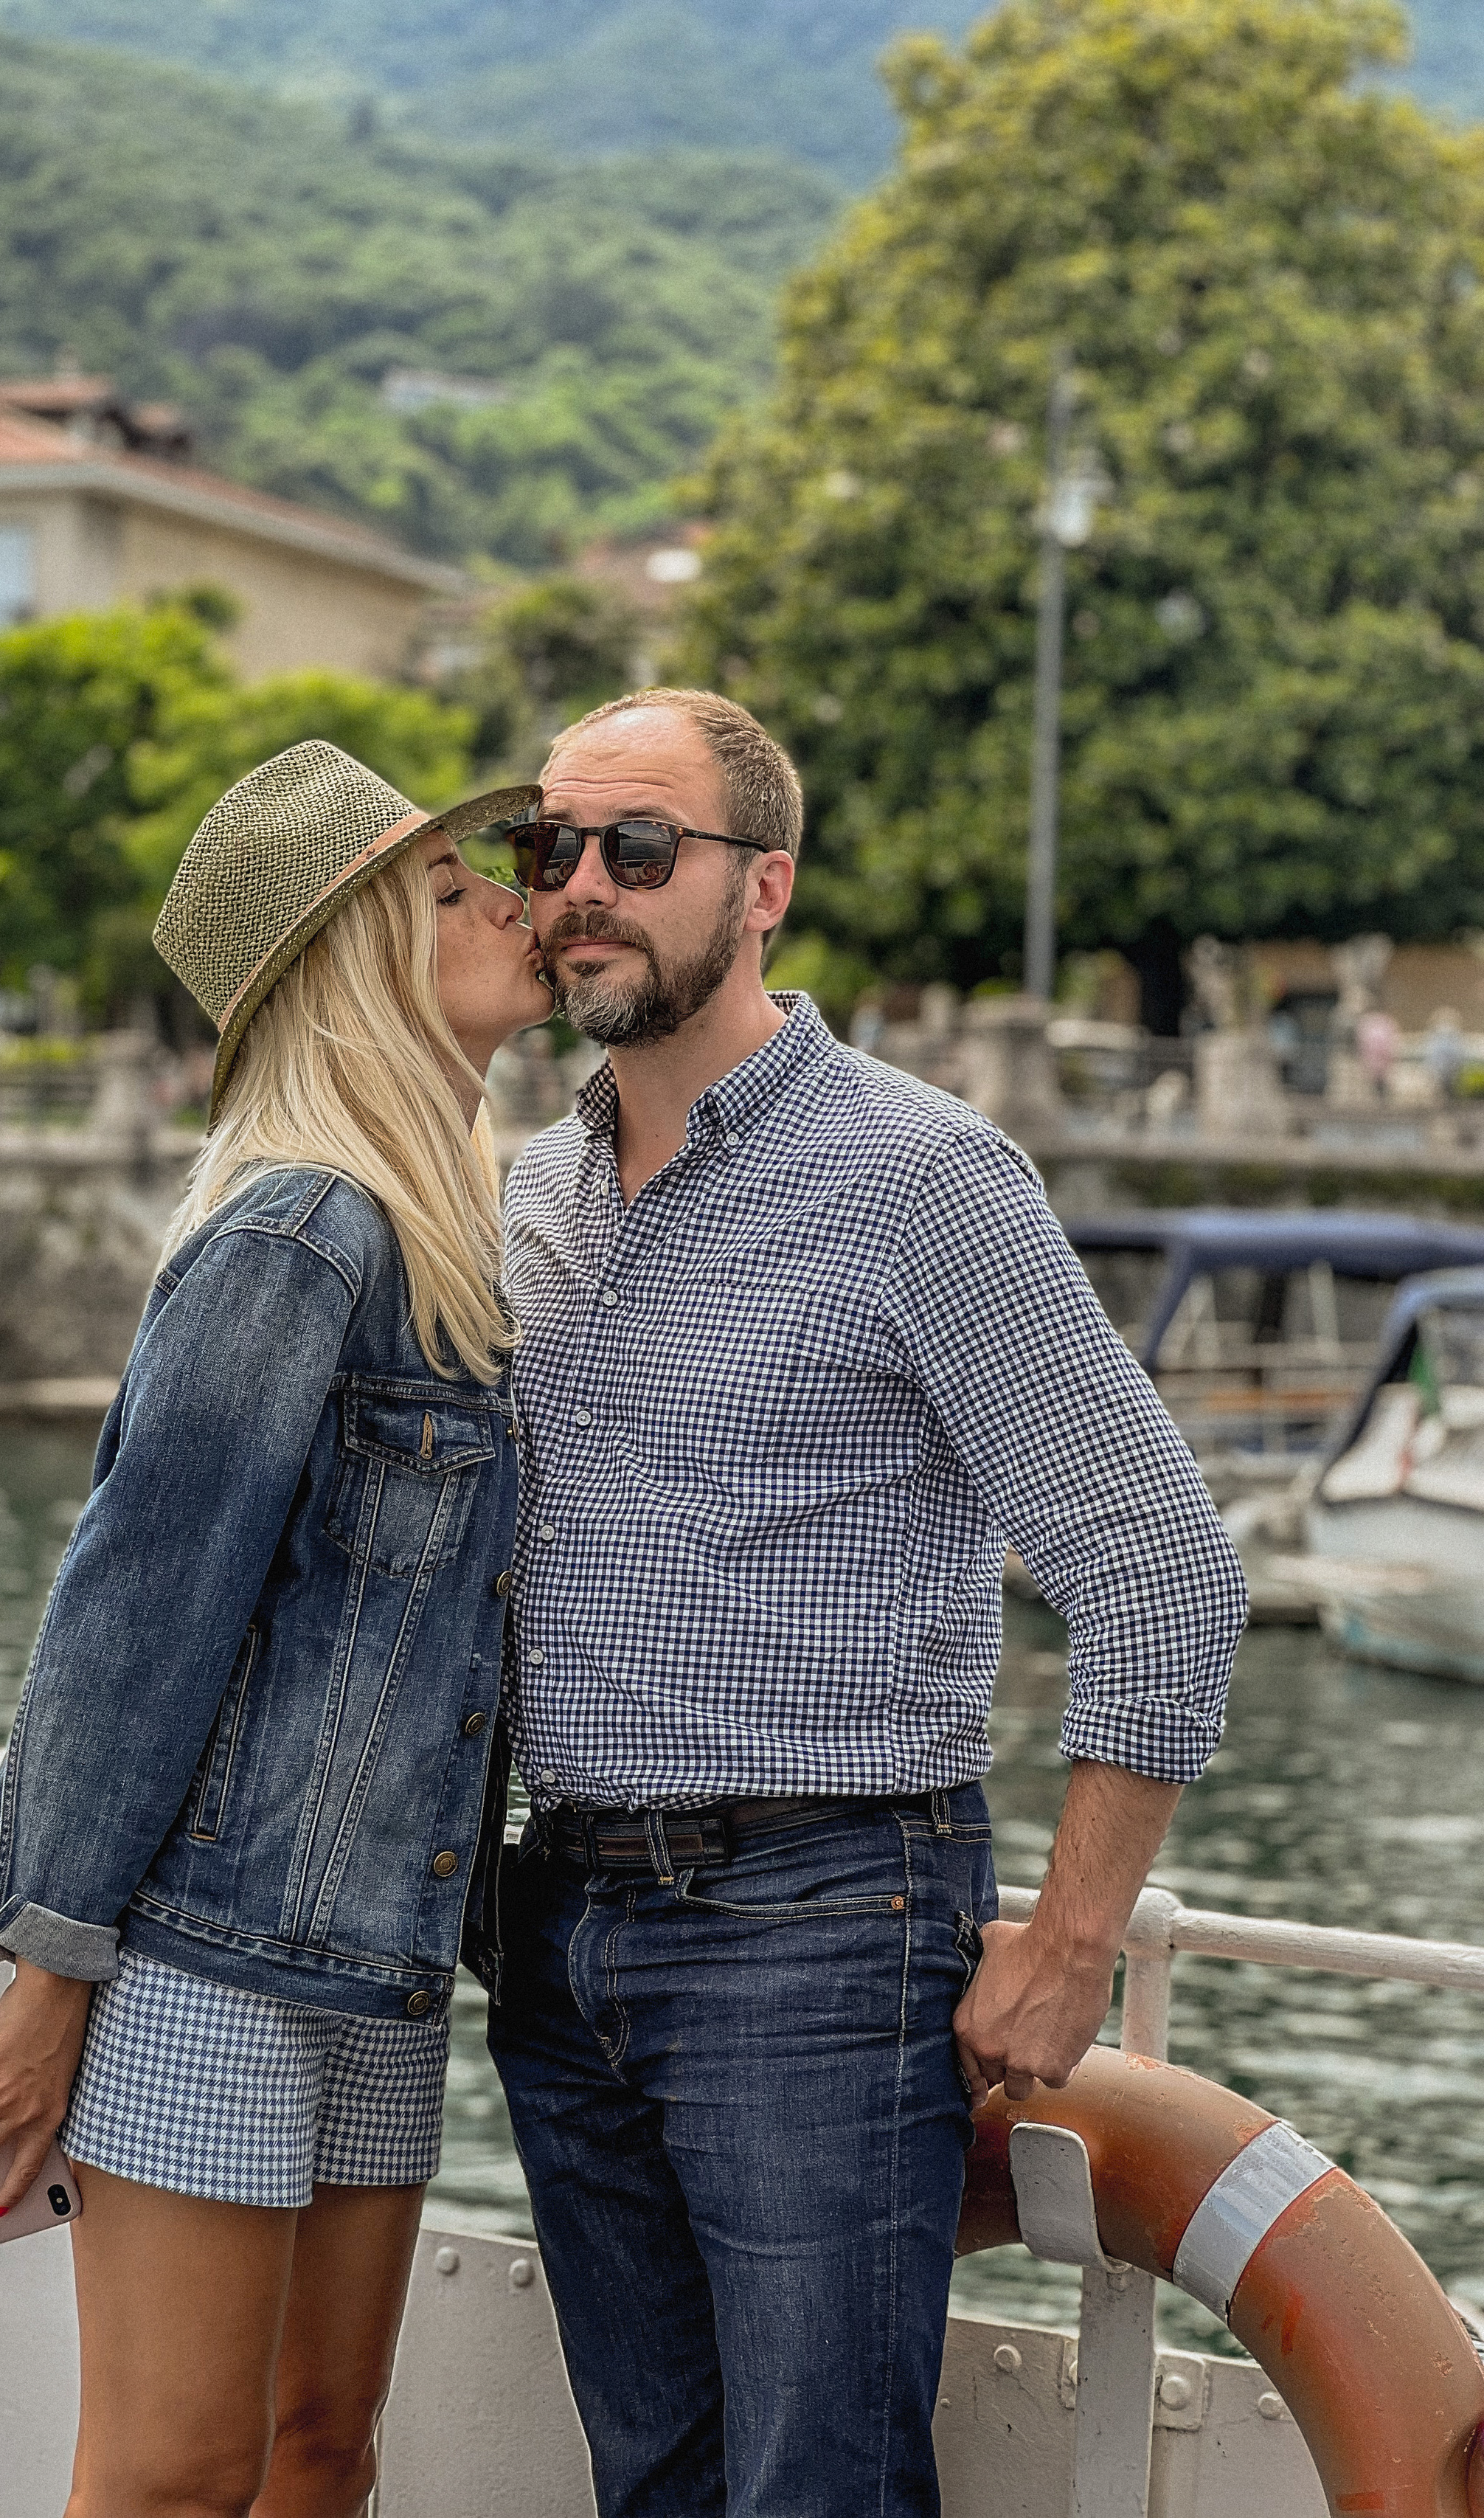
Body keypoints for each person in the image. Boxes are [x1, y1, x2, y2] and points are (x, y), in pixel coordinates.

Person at [484, 688, 1248, 2517]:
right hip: (554, 1925)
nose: (580, 887)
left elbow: (1157, 1570)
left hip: (815, 1934)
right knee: (651, 2481)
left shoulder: (917, 1179)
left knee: (813, 2493)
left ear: (764, 891)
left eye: (637, 850)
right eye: (547, 849)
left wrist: (1068, 1941)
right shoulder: (530, 1189)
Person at [0, 740, 552, 2518]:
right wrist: (45, 1988)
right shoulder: (300, 1233)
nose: (513, 896)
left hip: (374, 1962)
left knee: (318, 2460)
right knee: (173, 2479)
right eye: (451, 887)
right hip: (208, 1965)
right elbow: (129, 1629)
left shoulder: (452, 1242)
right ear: (357, 962)